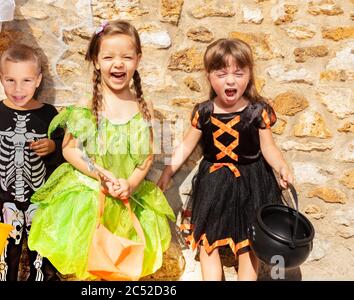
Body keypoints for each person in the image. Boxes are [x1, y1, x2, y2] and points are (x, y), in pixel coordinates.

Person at [27, 20, 175, 280]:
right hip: (90, 197)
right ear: (96, 60)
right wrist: (101, 174)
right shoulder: (87, 105)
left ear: (138, 59)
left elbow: (148, 155)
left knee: (122, 265)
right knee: (91, 265)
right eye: (108, 57)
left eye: (127, 57)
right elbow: (70, 150)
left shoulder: (144, 106)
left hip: (129, 197)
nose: (118, 64)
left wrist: (131, 182)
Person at [157, 38, 294, 281]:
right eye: (221, 73)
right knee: (208, 242)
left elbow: (269, 148)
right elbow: (187, 144)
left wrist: (282, 166)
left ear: (249, 75)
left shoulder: (257, 111)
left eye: (238, 73)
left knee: (248, 243)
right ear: (209, 76)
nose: (230, 80)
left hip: (253, 183)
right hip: (213, 184)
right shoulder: (204, 112)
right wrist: (168, 171)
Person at [0, 44, 64, 281]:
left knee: (41, 251)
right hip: (3, 197)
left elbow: (64, 148)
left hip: (41, 197)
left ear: (38, 80)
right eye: (10, 80)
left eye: (25, 80)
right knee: (3, 250)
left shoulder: (49, 114)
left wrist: (53, 147)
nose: (18, 88)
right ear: (1, 79)